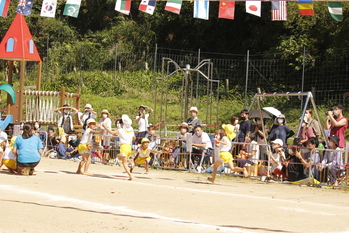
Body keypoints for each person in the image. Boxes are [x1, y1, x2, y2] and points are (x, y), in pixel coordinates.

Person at [102, 115, 135, 180]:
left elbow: (111, 132)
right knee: (119, 158)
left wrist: (105, 127)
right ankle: (130, 160)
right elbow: (134, 137)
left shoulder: (120, 130)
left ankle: (130, 175)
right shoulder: (131, 129)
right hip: (129, 146)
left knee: (124, 163)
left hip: (123, 146)